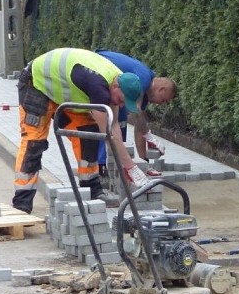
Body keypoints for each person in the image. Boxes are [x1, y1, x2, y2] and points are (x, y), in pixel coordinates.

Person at [12, 47, 152, 213]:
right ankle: (22, 202)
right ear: (115, 87)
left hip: (61, 90)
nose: (121, 105)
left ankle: (92, 191)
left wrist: (128, 164)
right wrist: (130, 167)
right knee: (34, 143)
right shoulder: (98, 85)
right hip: (36, 84)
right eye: (121, 100)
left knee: (89, 135)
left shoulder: (118, 78)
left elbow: (112, 125)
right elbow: (110, 134)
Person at [94, 49, 177, 177]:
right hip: (96, 67)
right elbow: (137, 114)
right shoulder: (143, 78)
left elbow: (139, 129)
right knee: (108, 120)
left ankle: (117, 164)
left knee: (120, 121)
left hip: (108, 78)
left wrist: (145, 164)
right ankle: (100, 166)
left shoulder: (144, 96)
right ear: (162, 89)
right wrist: (151, 138)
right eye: (164, 100)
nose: (162, 104)